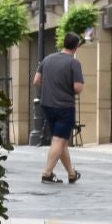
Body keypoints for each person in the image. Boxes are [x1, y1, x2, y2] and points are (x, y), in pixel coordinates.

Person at [35, 32, 85, 184]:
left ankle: (71, 174)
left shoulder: (47, 59)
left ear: (63, 43)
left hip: (47, 105)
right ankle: (47, 173)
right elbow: (78, 88)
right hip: (64, 106)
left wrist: (52, 85)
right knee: (59, 140)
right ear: (76, 47)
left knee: (60, 140)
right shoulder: (73, 63)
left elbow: (36, 80)